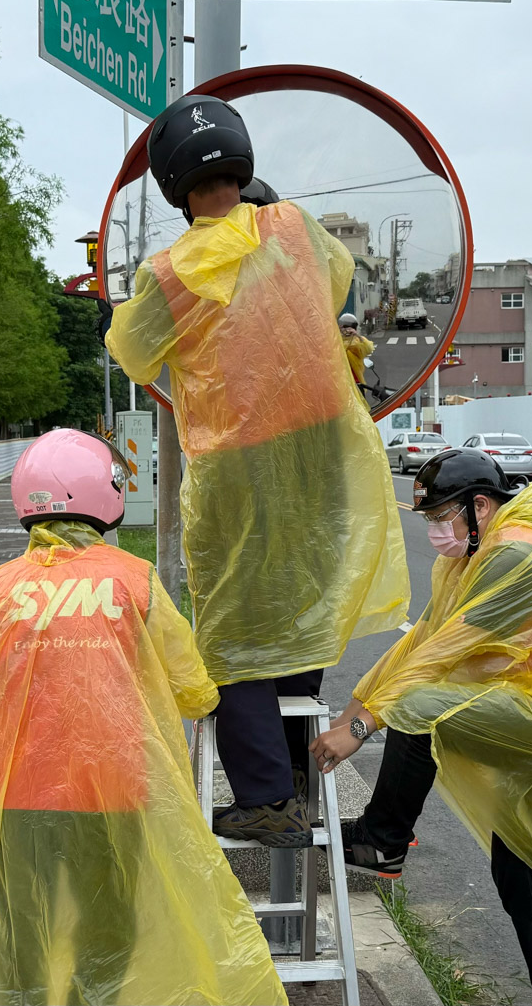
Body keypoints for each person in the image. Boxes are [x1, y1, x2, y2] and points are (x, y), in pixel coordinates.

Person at [105, 93, 409, 846]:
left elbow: (135, 351)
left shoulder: (170, 271)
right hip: (319, 452)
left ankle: (269, 794)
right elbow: (335, 281)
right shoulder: (298, 227)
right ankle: (300, 778)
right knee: (299, 605)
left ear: (175, 185)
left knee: (235, 626)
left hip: (236, 465)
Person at [0, 429, 286, 1006]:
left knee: (18, 940)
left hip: (10, 796)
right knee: (107, 933)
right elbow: (194, 690)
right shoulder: (135, 580)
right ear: (103, 497)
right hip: (111, 791)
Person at [309, 449, 532, 1006]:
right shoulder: (467, 559)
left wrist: (361, 729)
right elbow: (418, 642)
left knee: (422, 708)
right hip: (529, 704)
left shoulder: (519, 555)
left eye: (442, 517)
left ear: (479, 506)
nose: (437, 530)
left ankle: (383, 841)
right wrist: (353, 707)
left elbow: (439, 658)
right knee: (519, 874)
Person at [339, 312, 374, 392]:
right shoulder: (337, 340)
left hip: (356, 379)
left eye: (349, 327)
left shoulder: (358, 340)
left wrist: (357, 336)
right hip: (342, 380)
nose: (346, 330)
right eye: (344, 327)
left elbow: (369, 349)